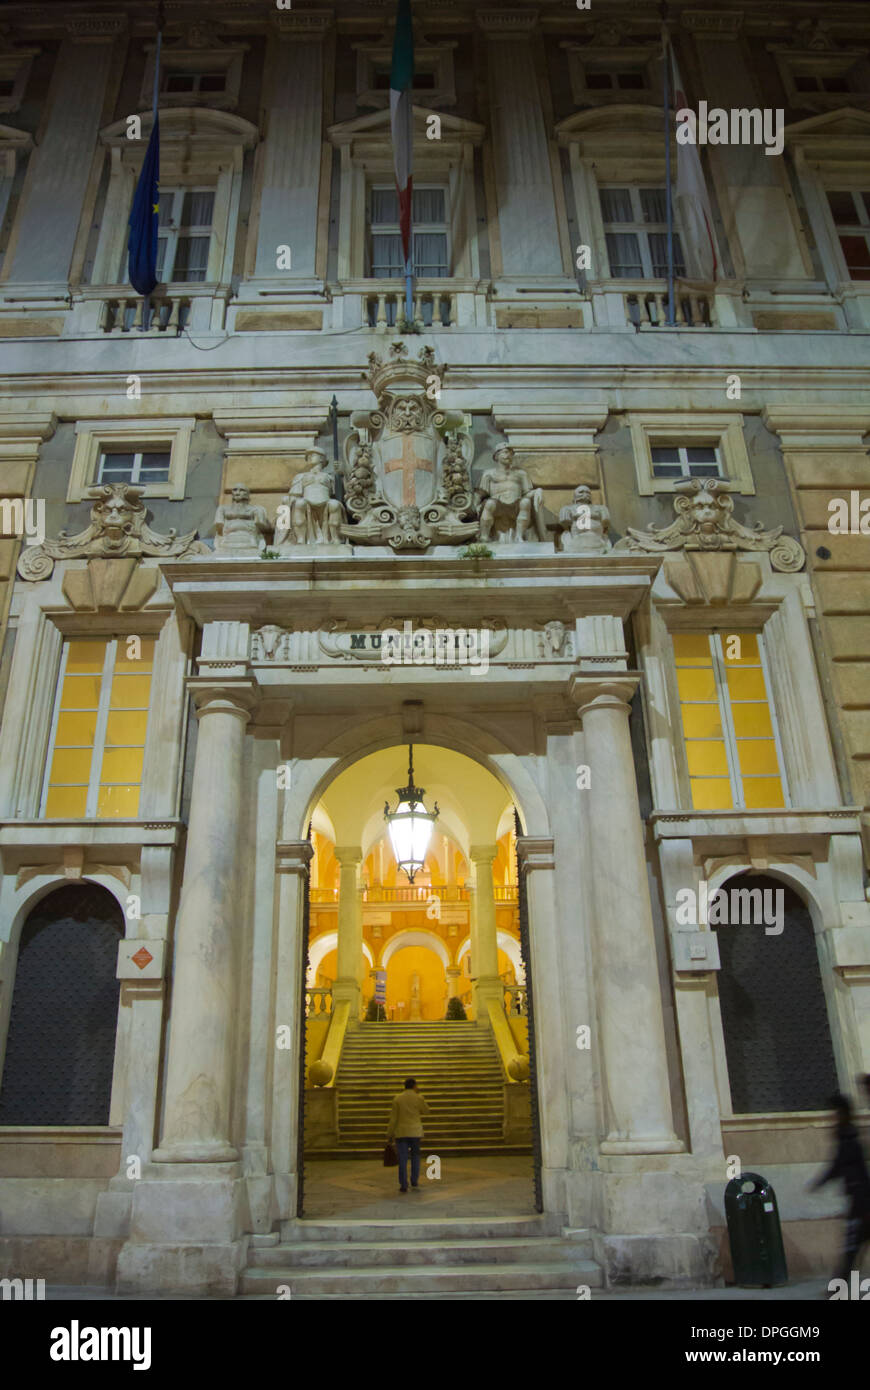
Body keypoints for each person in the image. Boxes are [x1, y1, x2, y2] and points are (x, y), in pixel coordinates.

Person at [808, 1092, 870, 1283]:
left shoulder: (848, 1138)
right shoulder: (847, 1136)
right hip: (860, 1199)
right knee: (852, 1247)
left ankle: (838, 1287)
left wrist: (819, 1182)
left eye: (834, 1113)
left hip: (862, 1202)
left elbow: (838, 1165)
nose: (831, 1117)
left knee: (851, 1247)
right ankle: (839, 1286)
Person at [386, 1077, 430, 1194]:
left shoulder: (397, 1098)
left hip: (401, 1132)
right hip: (415, 1132)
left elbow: (393, 1118)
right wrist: (421, 1098)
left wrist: (389, 1133)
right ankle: (414, 1181)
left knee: (403, 1159)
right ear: (414, 1086)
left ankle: (403, 1184)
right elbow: (426, 1111)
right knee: (415, 1157)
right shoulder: (418, 1097)